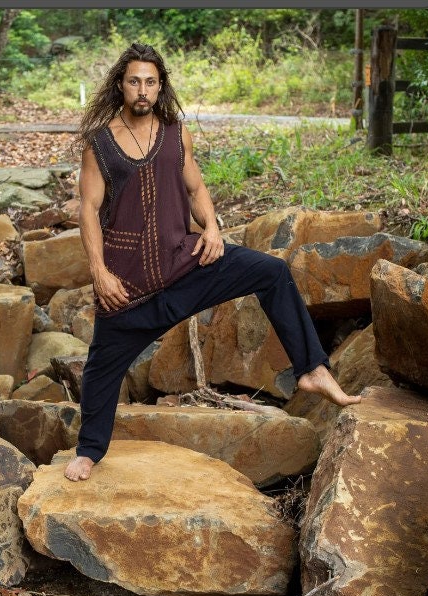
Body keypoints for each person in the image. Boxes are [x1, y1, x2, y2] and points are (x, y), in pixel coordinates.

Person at [64, 42, 361, 482]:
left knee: (272, 272)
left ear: (160, 86)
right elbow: (88, 209)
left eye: (150, 81)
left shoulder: (174, 131)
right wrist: (100, 272)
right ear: (120, 86)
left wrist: (213, 228)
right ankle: (90, 450)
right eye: (134, 82)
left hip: (184, 264)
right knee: (101, 369)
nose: (142, 90)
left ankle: (312, 369)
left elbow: (196, 189)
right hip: (127, 284)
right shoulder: (100, 144)